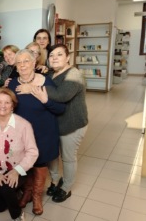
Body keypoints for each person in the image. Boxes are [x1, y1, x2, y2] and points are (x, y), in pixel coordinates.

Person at [18, 44, 88, 203]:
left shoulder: (74, 74)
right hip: (57, 123)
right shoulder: (52, 73)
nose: (55, 58)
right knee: (53, 156)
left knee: (68, 158)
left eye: (59, 54)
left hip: (73, 125)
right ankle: (55, 182)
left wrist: (32, 87)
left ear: (68, 57)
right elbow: (40, 77)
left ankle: (66, 188)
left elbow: (61, 95)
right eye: (52, 56)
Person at [8, 49, 65, 215]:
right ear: (16, 67)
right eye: (19, 62)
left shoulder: (46, 82)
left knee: (40, 164)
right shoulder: (12, 84)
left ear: (34, 63)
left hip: (43, 133)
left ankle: (37, 196)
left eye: (26, 61)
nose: (23, 65)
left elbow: (60, 108)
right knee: (25, 165)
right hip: (21, 135)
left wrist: (38, 93)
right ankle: (27, 192)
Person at [0, 87, 38, 221]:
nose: (3, 106)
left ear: (13, 105)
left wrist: (17, 171)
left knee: (6, 187)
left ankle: (17, 214)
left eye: (7, 102)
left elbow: (32, 152)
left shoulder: (24, 125)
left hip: (20, 169)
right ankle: (16, 192)